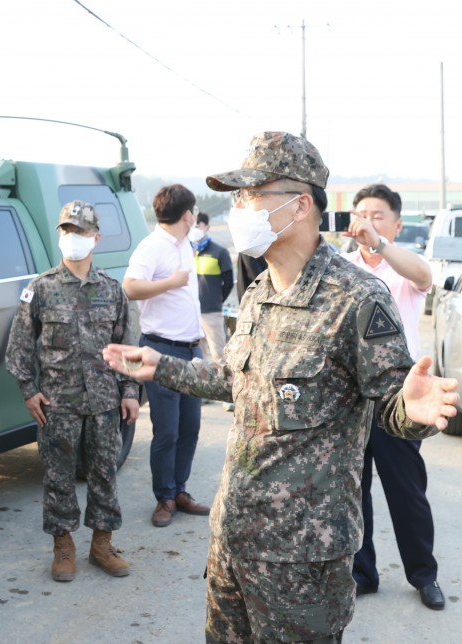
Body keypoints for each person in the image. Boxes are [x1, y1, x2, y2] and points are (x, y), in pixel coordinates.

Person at [103, 131, 460, 642]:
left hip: (303, 561)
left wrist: (409, 406)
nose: (239, 208)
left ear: (298, 206)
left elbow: (390, 408)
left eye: (250, 196)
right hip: (232, 541)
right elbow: (236, 380)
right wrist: (161, 366)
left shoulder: (356, 298)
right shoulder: (259, 292)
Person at [6, 200, 140, 582]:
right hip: (57, 405)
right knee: (58, 477)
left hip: (103, 403)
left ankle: (102, 545)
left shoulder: (113, 291)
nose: (73, 238)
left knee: (104, 475)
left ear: (95, 237)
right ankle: (63, 546)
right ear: (59, 235)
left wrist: (130, 391)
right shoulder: (41, 289)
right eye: (67, 230)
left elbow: (127, 349)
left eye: (81, 231)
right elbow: (18, 348)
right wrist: (29, 391)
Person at [342, 183, 444, 610]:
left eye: (378, 214)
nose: (366, 220)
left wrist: (380, 244)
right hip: (352, 399)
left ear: (397, 224)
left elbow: (424, 277)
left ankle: (424, 576)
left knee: (407, 490)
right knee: (355, 488)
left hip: (399, 399)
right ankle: (363, 573)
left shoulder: (403, 268)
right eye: (360, 213)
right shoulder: (340, 267)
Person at [123, 184, 211, 528]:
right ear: (187, 214)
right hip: (160, 348)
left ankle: (181, 490)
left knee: (191, 426)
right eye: (194, 212)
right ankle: (164, 497)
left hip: (191, 350)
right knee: (167, 432)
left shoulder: (184, 245)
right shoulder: (153, 246)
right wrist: (170, 283)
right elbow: (130, 287)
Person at [191, 212, 234, 364]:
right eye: (192, 225)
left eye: (198, 225)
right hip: (192, 311)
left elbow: (228, 282)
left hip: (211, 311)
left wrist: (217, 299)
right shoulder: (189, 251)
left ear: (207, 227)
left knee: (219, 355)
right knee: (198, 357)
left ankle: (224, 384)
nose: (194, 229)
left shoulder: (219, 252)